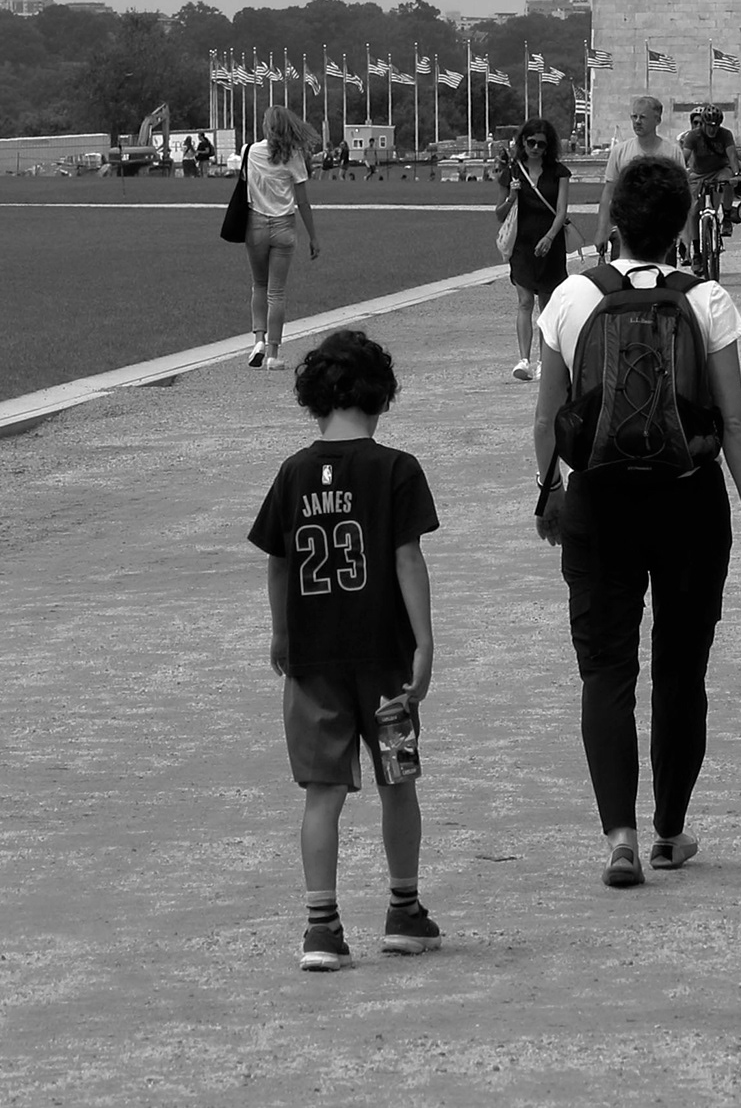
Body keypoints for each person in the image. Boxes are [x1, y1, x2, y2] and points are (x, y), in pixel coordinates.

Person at [534, 151, 741, 887]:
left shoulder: (572, 297)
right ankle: (670, 828)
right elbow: (734, 421)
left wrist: (549, 491)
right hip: (688, 497)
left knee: (606, 670)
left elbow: (547, 416)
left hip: (599, 497)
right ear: (681, 226)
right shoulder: (706, 300)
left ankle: (620, 835)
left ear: (614, 221)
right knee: (681, 668)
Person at [247, 326, 440, 966]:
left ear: (314, 399)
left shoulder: (294, 472)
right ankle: (404, 911)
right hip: (386, 661)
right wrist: (424, 642)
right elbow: (407, 559)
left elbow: (278, 562)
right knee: (397, 781)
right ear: (381, 396)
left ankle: (321, 927)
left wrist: (281, 632)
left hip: (314, 661)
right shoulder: (397, 469)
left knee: (321, 794)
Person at [241, 106, 321, 369]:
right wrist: (313, 237)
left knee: (259, 285)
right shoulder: (294, 156)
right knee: (277, 292)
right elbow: (303, 202)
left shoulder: (249, 151)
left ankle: (258, 341)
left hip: (255, 224)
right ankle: (273, 354)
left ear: (267, 127)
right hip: (284, 225)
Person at [500, 117, 571, 380]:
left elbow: (561, 211)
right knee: (525, 301)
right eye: (531, 142)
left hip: (550, 243)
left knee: (547, 304)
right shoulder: (512, 172)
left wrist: (550, 237)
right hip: (523, 244)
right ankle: (524, 360)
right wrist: (512, 196)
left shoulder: (559, 172)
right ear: (523, 142)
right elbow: (499, 214)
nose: (536, 148)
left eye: (541, 144)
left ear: (548, 146)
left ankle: (544, 360)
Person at [594, 93, 667, 262]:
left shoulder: (671, 152)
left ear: (657, 120)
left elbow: (681, 195)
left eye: (643, 117)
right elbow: (609, 193)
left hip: (661, 231)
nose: (637, 122)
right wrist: (602, 230)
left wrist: (685, 233)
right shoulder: (619, 152)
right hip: (625, 230)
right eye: (634, 117)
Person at [680, 103, 740, 254]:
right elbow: (684, 157)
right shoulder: (693, 136)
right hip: (699, 173)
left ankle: (727, 217)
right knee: (694, 211)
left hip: (720, 169)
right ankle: (696, 252)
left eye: (715, 126)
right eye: (709, 126)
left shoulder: (725, 135)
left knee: (727, 181)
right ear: (703, 124)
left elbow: (732, 155)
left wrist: (736, 174)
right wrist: (678, 173)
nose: (712, 130)